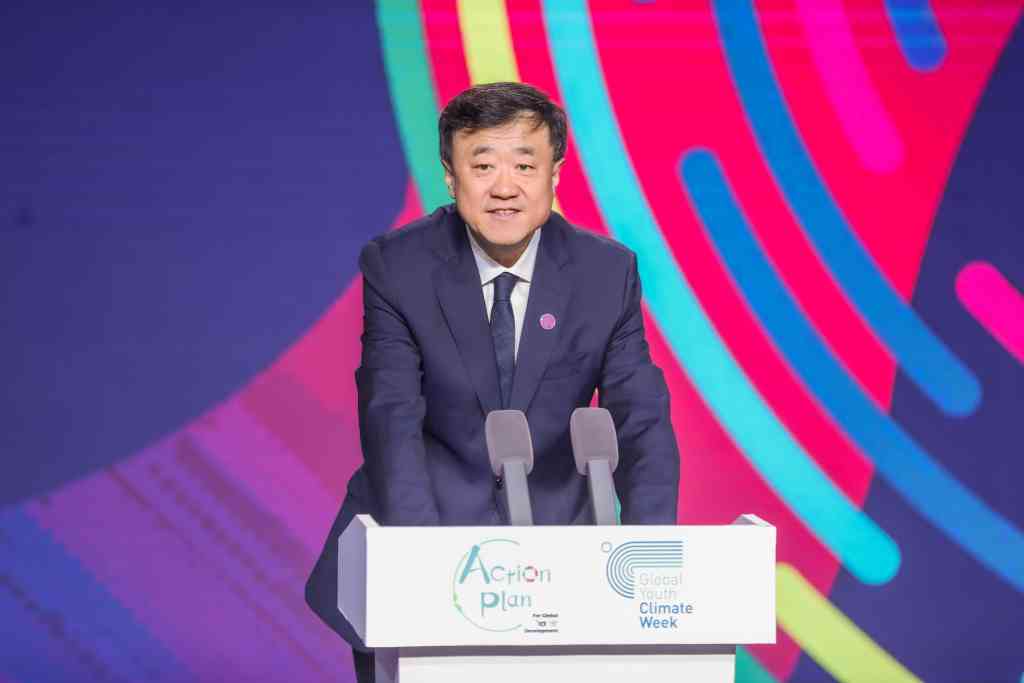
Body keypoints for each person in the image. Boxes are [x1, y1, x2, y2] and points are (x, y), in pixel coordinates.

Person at [305, 82, 680, 683]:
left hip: (560, 560)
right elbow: (391, 415)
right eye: (483, 166)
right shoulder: (398, 266)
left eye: (524, 165)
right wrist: (425, 568)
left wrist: (648, 561)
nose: (504, 187)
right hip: (420, 533)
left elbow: (641, 419)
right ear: (451, 178)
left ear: (555, 173)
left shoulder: (606, 272)